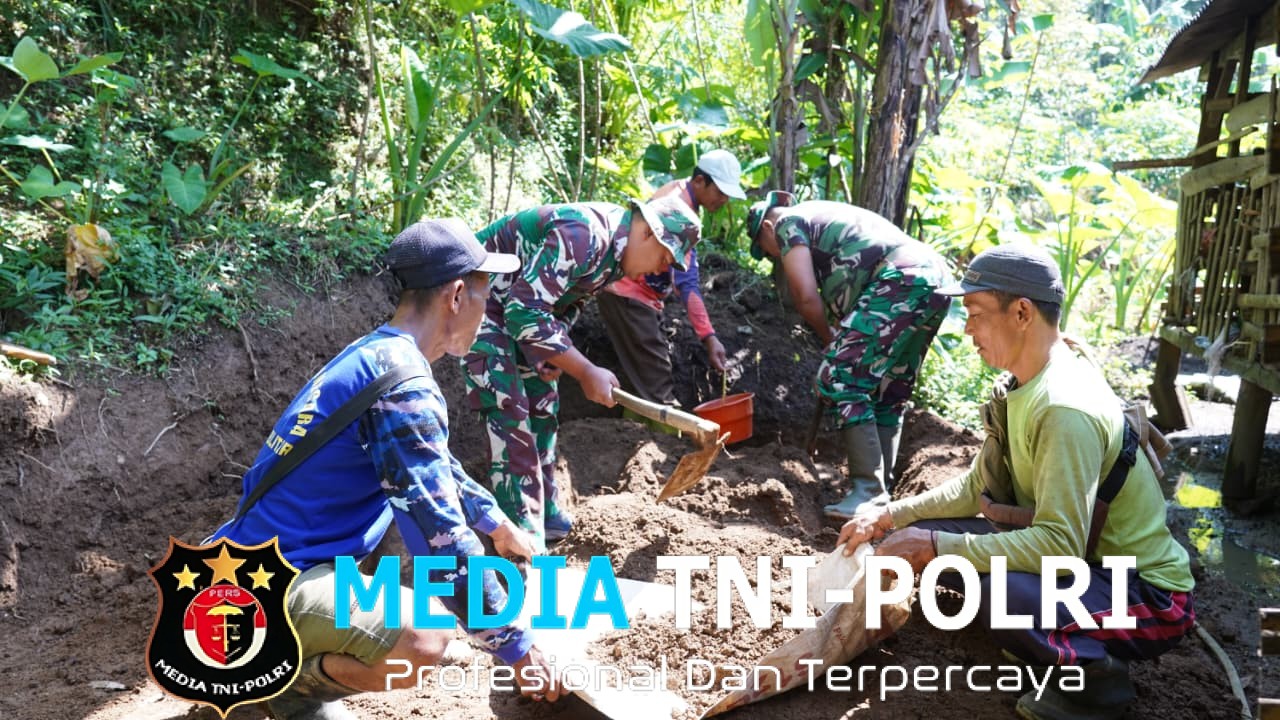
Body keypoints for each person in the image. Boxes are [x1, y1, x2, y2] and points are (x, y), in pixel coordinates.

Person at [207, 219, 562, 720]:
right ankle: (273, 687)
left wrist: (495, 522)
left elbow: (432, 466)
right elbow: (441, 540)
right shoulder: (404, 388)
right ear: (457, 296)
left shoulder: (378, 357)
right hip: (252, 595)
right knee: (424, 635)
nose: (489, 312)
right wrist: (519, 650)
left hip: (245, 575)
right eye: (486, 295)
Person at [835, 244, 1195, 719]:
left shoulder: (1065, 407)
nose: (967, 330)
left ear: (1022, 312)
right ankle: (1051, 641)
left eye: (976, 314)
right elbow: (974, 488)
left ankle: (1094, 682)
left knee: (991, 589)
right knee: (959, 547)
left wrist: (933, 546)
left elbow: (1060, 544)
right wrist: (891, 516)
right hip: (1092, 565)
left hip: (1147, 595)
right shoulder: (1026, 382)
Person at [463, 196, 701, 551]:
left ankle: (544, 511)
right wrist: (586, 370)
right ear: (649, 234)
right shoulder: (584, 234)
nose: (657, 270)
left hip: (514, 308)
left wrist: (547, 352)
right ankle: (519, 530)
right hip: (473, 299)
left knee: (543, 401)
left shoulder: (614, 261)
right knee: (509, 407)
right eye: (664, 258)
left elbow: (563, 303)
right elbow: (524, 311)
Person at [747, 191, 951, 519]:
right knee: (888, 388)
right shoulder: (827, 218)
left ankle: (868, 492)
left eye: (768, 252)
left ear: (768, 229)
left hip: (900, 278)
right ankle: (881, 489)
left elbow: (804, 295)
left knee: (838, 376)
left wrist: (830, 341)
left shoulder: (787, 222)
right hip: (934, 277)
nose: (775, 259)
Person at [596, 149, 747, 404]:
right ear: (700, 181)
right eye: (719, 192)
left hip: (633, 291)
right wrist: (708, 337)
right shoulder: (679, 208)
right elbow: (686, 283)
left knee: (645, 381)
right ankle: (666, 440)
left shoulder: (678, 191)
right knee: (658, 383)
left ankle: (635, 429)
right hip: (630, 292)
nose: (723, 201)